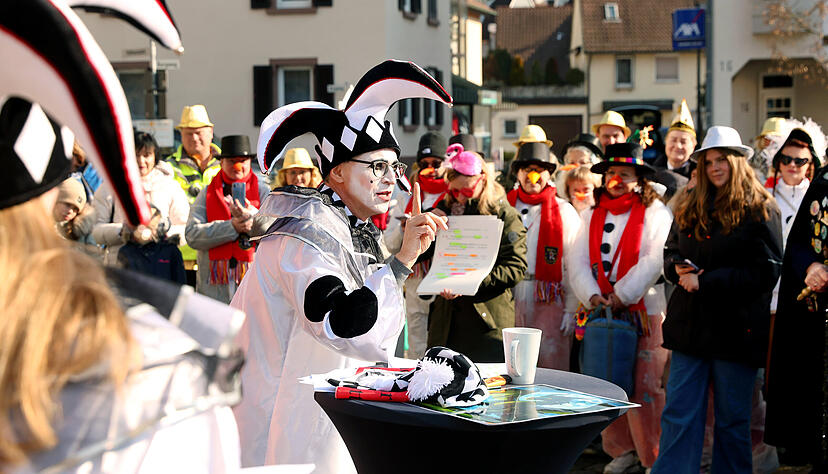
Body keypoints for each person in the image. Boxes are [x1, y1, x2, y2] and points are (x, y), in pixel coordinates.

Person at [0, 0, 243, 467]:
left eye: (202, 132)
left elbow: (178, 225)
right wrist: (127, 233)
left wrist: (163, 230)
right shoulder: (157, 372)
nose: (197, 140)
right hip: (134, 274)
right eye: (190, 133)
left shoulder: (177, 182)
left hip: (175, 270)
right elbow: (99, 228)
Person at [230, 60, 451, 471]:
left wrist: (402, 261)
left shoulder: (348, 225)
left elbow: (372, 332)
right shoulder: (305, 235)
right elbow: (342, 324)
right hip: (278, 412)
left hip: (314, 406)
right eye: (377, 167)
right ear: (335, 174)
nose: (391, 181)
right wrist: (402, 260)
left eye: (394, 168)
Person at [653, 126, 783, 474]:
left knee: (731, 422)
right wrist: (677, 270)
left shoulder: (761, 208)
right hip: (689, 329)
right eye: (708, 161)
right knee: (679, 414)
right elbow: (670, 251)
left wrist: (706, 281)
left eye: (722, 159)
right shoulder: (687, 202)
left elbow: (766, 270)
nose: (715, 167)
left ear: (738, 161)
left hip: (736, 330)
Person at [568, 142, 672, 473]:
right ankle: (621, 449)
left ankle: (654, 455)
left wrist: (622, 293)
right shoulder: (590, 214)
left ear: (639, 179)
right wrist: (592, 294)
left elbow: (654, 259)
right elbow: (577, 260)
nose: (616, 179)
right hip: (602, 311)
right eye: (611, 173)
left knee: (646, 385)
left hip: (646, 309)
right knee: (608, 380)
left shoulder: (657, 212)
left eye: (624, 174)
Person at [426, 145, 528, 362]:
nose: (460, 198)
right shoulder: (443, 210)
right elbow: (426, 259)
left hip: (487, 323)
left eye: (466, 191)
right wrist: (425, 229)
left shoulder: (504, 214)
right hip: (446, 325)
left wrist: (468, 282)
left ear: (483, 179)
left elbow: (516, 267)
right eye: (454, 191)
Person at [765, 128, 828, 470]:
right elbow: (795, 244)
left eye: (800, 160)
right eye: (786, 159)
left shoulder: (816, 189)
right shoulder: (766, 194)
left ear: (811, 164)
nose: (792, 165)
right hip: (776, 299)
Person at [507, 141, 580, 370]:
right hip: (510, 293)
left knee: (551, 363)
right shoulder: (504, 206)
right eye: (527, 170)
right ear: (518, 173)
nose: (533, 176)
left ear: (549, 174)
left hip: (549, 296)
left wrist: (571, 309)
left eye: (539, 170)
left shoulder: (563, 210)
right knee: (513, 364)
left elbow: (573, 263)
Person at [383, 131, 449, 358]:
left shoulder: (453, 195)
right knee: (417, 344)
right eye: (424, 163)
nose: (430, 168)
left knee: (444, 343)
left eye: (436, 163)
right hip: (415, 280)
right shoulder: (404, 196)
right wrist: (404, 229)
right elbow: (389, 244)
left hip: (444, 279)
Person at [185, 134, 272, 304]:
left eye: (242, 160)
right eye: (232, 161)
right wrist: (231, 227)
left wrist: (252, 222)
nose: (238, 166)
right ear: (221, 162)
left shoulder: (264, 192)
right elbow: (192, 235)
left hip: (255, 290)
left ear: (249, 162)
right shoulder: (207, 194)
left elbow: (277, 234)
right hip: (214, 293)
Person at [92, 131, 190, 275]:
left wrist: (161, 233)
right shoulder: (110, 187)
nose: (141, 161)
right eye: (135, 155)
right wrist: (123, 232)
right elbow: (95, 230)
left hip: (160, 268)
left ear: (155, 156)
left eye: (146, 155)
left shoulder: (170, 186)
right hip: (120, 267)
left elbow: (185, 228)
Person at [166, 104, 222, 280]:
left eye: (199, 132)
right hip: (180, 256)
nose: (194, 138)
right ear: (181, 135)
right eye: (188, 133)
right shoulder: (168, 168)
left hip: (219, 256)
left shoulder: (225, 166)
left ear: (210, 132)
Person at [652, 99, 697, 180]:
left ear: (693, 145)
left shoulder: (700, 174)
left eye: (683, 142)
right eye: (673, 140)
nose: (678, 146)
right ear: (666, 141)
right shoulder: (651, 173)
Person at [52, 177, 96, 245]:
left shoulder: (80, 233)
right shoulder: (37, 222)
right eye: (67, 205)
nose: (70, 211)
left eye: (75, 209)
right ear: (55, 200)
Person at [750, 117, 789, 182]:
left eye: (776, 138)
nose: (771, 141)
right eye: (767, 138)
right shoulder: (754, 156)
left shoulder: (791, 158)